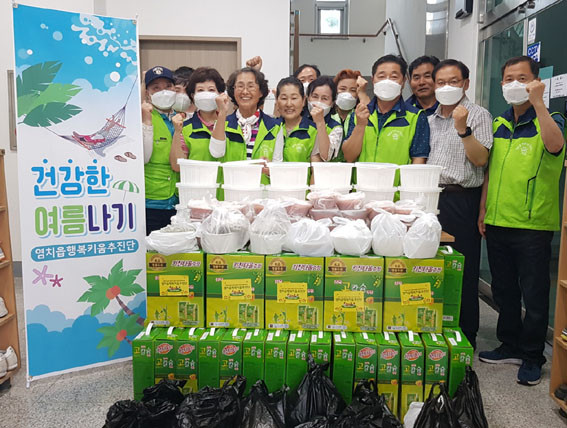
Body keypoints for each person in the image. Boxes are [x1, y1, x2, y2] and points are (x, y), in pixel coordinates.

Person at [478, 55, 566, 386]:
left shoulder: (551, 119)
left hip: (533, 225)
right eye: (509, 79)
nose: (514, 84)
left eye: (523, 78)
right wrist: (483, 210)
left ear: (536, 82)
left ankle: (532, 355)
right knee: (504, 290)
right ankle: (510, 345)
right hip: (498, 221)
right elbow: (489, 172)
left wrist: (539, 104)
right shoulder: (499, 123)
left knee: (534, 293)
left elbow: (555, 147)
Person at [426, 59, 493, 349]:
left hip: (462, 198)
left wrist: (463, 128)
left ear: (466, 83)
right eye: (441, 82)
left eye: (453, 81)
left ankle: (466, 336)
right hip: (431, 198)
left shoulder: (479, 115)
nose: (446, 87)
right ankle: (434, 331)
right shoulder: (428, 119)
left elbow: (481, 160)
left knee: (462, 268)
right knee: (431, 265)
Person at [342, 54, 430, 172]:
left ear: (403, 81)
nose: (387, 81)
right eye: (381, 76)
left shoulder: (416, 117)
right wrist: (360, 125)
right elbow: (349, 157)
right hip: (362, 183)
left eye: (394, 77)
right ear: (373, 80)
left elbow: (418, 161)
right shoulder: (359, 113)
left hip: (396, 184)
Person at [218, 67, 281, 184]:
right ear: (233, 91)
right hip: (231, 192)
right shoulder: (223, 123)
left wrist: (270, 170)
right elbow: (216, 152)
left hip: (262, 193)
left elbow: (278, 168)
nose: (245, 91)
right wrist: (222, 112)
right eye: (240, 86)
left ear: (261, 92)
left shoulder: (274, 126)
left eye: (251, 86)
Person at [141, 66, 179, 235]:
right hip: (152, 202)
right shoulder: (142, 118)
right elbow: (144, 157)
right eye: (156, 88)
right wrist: (147, 122)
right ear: (148, 93)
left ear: (175, 89)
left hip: (178, 202)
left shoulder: (182, 118)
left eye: (168, 86)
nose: (163, 91)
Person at [169, 67, 228, 169]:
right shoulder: (185, 128)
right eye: (200, 90)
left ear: (220, 94)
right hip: (198, 179)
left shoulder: (232, 125)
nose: (206, 94)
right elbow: (177, 166)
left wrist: (223, 112)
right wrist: (177, 132)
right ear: (193, 95)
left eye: (211, 90)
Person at [273, 76, 318, 165]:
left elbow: (316, 168)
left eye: (294, 98)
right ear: (277, 101)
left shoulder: (314, 131)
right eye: (284, 98)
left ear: (303, 100)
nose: (289, 104)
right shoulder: (270, 128)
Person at [332, 69, 371, 161]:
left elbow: (370, 113)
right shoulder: (328, 114)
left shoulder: (359, 115)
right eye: (342, 89)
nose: (347, 94)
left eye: (353, 90)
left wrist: (362, 92)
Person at [305, 76, 343, 161]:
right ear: (307, 98)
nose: (318, 102)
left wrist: (320, 122)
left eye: (324, 98)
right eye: (315, 96)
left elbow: (326, 156)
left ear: (332, 103)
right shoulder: (299, 120)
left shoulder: (335, 128)